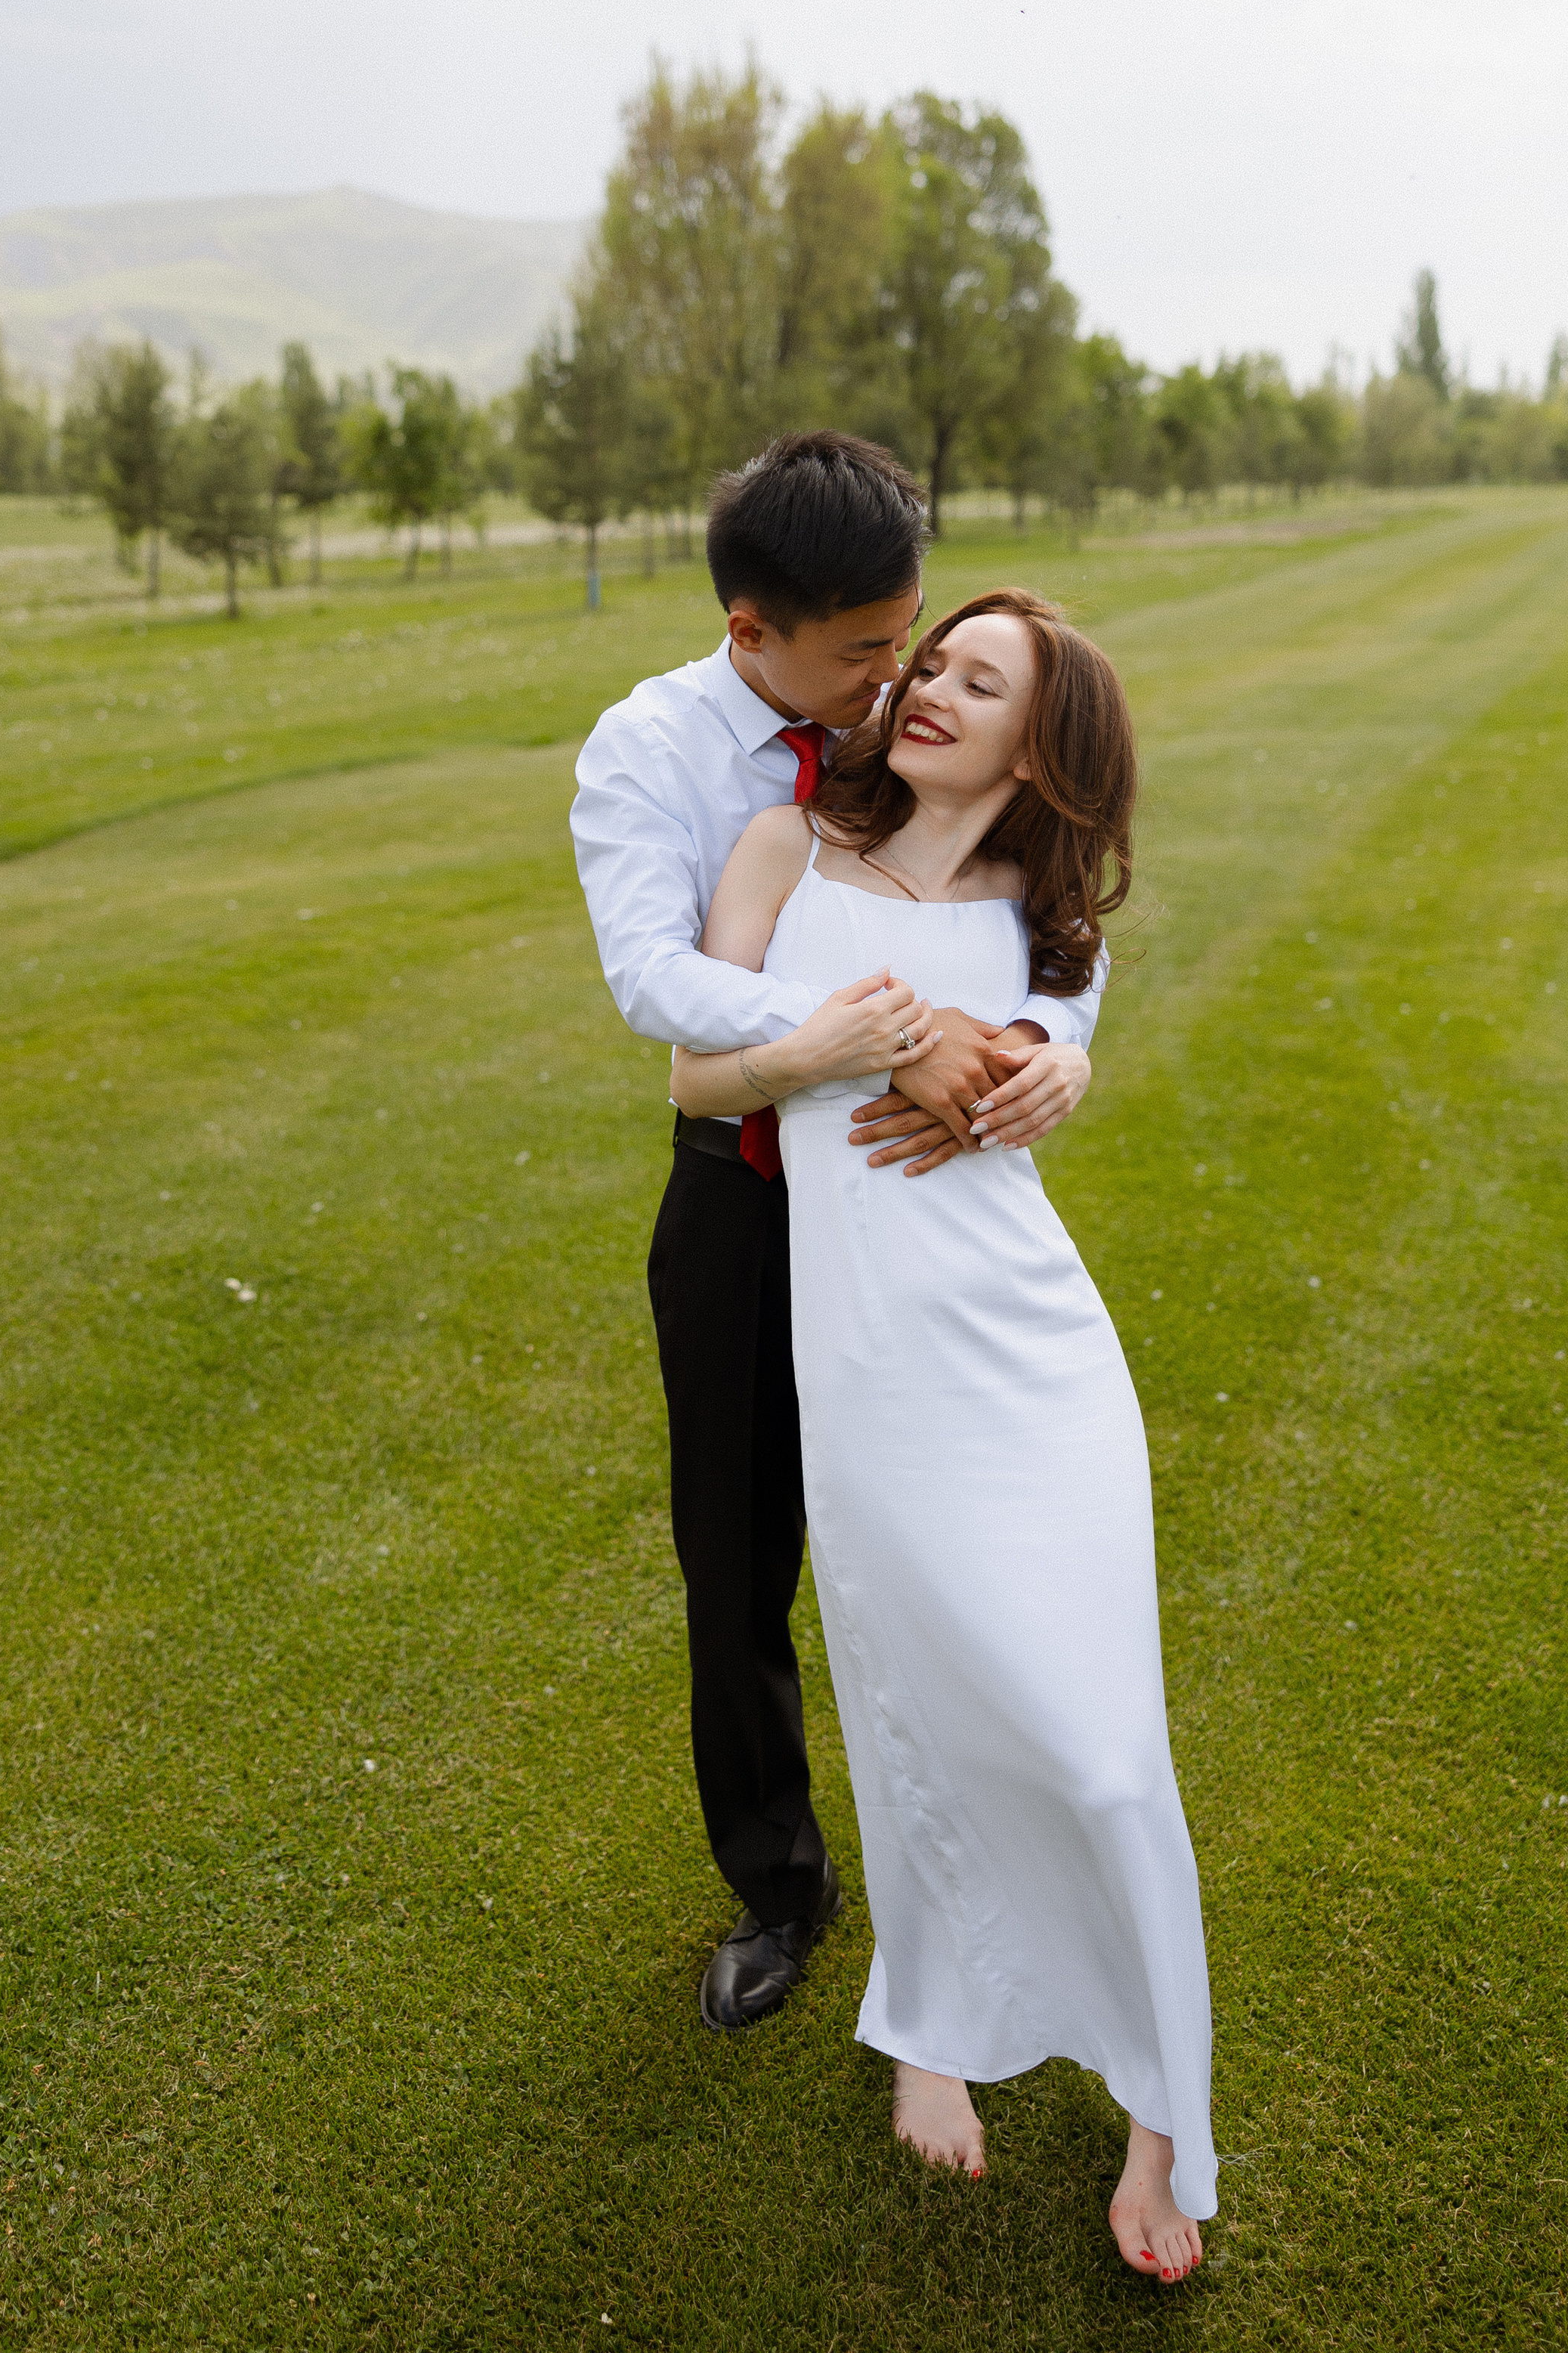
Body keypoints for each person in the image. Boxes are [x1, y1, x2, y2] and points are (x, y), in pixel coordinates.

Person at [668, 586, 1214, 2283]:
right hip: (874, 1364)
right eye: (933, 664)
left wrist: (1033, 1062)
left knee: (1100, 1734)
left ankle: (1160, 2112)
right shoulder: (783, 852)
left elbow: (1027, 1076)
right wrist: (851, 1042)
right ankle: (930, 2015)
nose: (927, 692)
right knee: (913, 1682)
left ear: (1037, 747)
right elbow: (695, 1076)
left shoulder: (1056, 937)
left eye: (978, 684)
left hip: (1032, 1353)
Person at [571, 437, 1099, 2034]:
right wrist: (878, 1030)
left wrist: (1058, 1040)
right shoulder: (649, 751)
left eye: (913, 637)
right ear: (751, 634)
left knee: (954, 1550)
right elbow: (653, 985)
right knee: (734, 1571)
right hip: (738, 1205)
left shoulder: (913, 709)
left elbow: (1037, 891)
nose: (898, 678)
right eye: (864, 650)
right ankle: (778, 1887)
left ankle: (999, 1871)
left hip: (919, 1209)